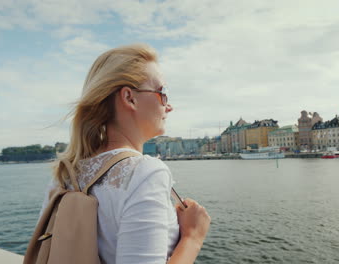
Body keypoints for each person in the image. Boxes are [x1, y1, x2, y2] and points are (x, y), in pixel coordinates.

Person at [39, 44, 211, 263]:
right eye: (163, 93)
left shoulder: (65, 173)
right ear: (130, 98)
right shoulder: (145, 173)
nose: (169, 106)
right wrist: (193, 237)